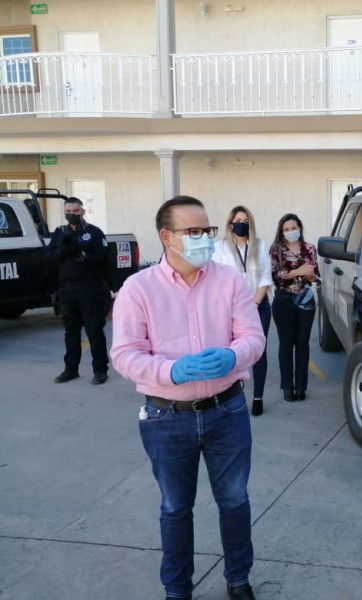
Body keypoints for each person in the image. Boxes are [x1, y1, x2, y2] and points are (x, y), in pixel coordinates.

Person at [110, 196, 265, 600]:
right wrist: (171, 371)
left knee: (234, 501)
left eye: (207, 231)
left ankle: (238, 579)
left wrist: (233, 355)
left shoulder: (229, 280)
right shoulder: (138, 289)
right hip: (166, 417)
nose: (203, 240)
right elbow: (124, 354)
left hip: (226, 410)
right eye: (192, 232)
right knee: (175, 507)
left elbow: (253, 338)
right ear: (167, 237)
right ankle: (177, 588)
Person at [214, 205, 273, 417]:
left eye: (246, 221)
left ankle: (258, 397)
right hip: (231, 309)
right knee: (232, 350)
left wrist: (254, 305)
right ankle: (233, 395)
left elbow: (266, 277)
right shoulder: (219, 248)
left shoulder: (259, 245)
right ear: (230, 224)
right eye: (238, 220)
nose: (242, 224)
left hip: (259, 305)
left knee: (258, 351)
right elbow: (216, 280)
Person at [44, 196, 111, 385]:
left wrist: (84, 256)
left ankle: (100, 371)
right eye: (68, 212)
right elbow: (47, 256)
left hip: (89, 287)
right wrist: (62, 252)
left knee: (94, 330)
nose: (71, 215)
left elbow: (104, 257)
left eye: (75, 211)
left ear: (82, 212)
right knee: (71, 332)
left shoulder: (94, 232)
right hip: (67, 289)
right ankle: (70, 370)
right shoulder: (60, 233)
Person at [269, 213, 319, 402]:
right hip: (283, 300)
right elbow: (275, 275)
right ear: (282, 231)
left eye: (294, 228)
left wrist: (311, 276)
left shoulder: (309, 248)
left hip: (305, 300)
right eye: (287, 229)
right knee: (286, 342)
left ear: (300, 228)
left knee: (303, 343)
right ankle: (287, 386)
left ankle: (301, 386)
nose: (291, 232)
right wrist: (298, 272)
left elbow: (315, 273)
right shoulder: (276, 250)